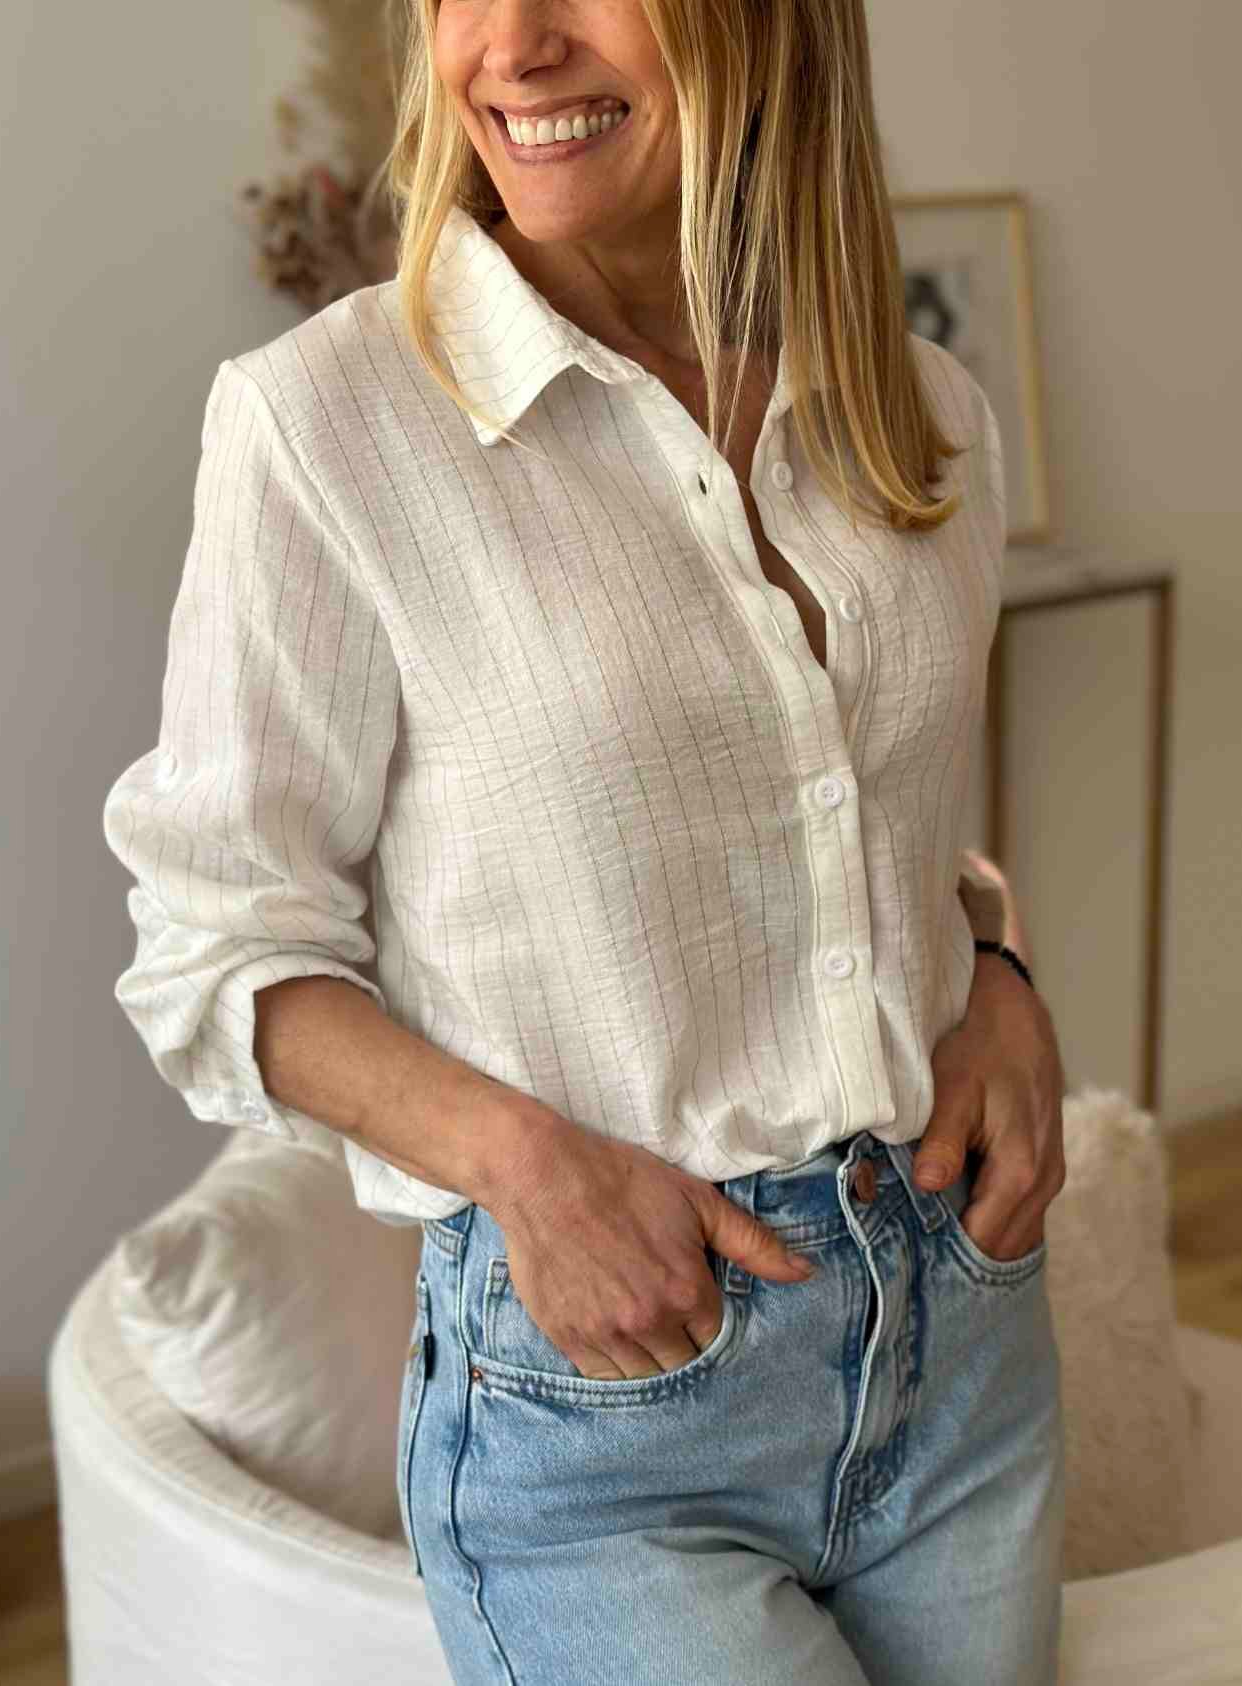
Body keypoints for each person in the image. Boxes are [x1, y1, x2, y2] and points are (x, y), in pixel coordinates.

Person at [102, 0, 1069, 1679]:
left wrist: (994, 967)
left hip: (965, 1338)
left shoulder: (925, 411)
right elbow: (215, 945)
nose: (511, 44)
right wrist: (519, 1163)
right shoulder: (325, 425)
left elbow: (860, 826)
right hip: (612, 1402)